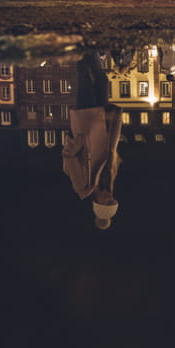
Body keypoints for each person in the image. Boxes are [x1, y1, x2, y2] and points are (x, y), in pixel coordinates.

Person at [61, 51, 123, 229]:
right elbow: (111, 150)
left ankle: (80, 45)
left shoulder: (82, 187)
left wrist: (79, 141)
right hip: (101, 121)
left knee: (85, 80)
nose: (110, 197)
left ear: (98, 203)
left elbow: (69, 157)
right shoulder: (108, 179)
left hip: (86, 123)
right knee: (102, 81)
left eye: (107, 201)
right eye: (112, 200)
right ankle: (90, 47)